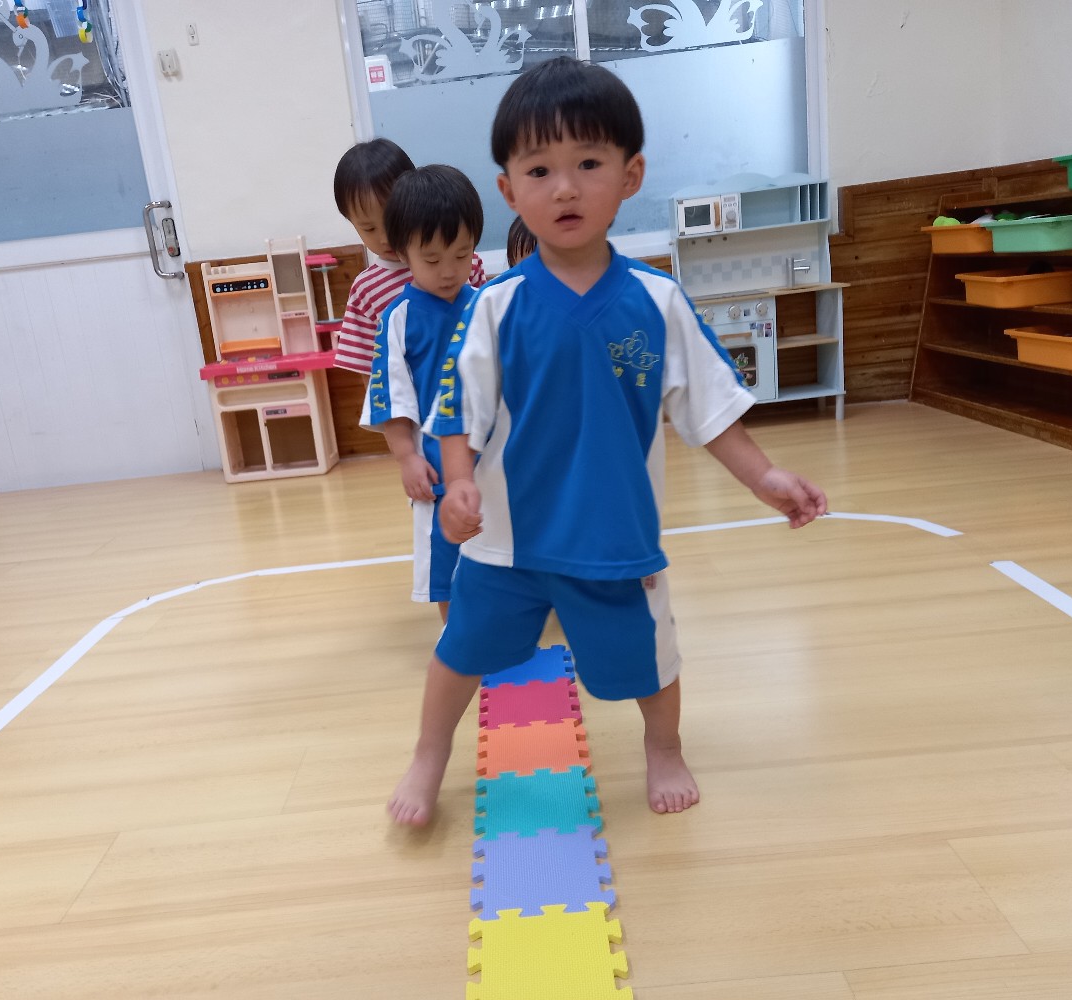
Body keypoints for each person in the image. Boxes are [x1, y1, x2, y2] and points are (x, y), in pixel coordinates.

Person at [387, 57, 828, 827]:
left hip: (614, 538)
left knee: (649, 660)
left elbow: (710, 409)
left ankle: (663, 746)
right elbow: (457, 410)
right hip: (505, 539)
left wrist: (764, 477)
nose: (564, 188)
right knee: (460, 651)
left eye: (587, 164)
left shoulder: (657, 301)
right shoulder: (495, 306)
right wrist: (456, 482)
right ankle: (428, 753)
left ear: (630, 176)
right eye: (539, 170)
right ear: (509, 192)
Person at [362, 165, 483, 622]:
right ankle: (456, 638)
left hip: (492, 461)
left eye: (461, 255)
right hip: (436, 467)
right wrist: (407, 458)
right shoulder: (399, 318)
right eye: (432, 260)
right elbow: (390, 396)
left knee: (501, 553)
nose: (449, 272)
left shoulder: (487, 307)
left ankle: (507, 629)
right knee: (447, 562)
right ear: (403, 252)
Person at [331, 139, 488, 376]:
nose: (385, 237)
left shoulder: (467, 262)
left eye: (391, 220)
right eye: (369, 228)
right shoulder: (366, 290)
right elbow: (369, 372)